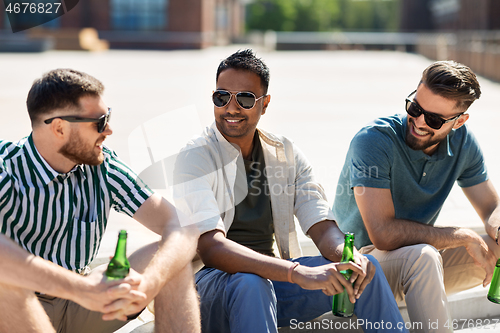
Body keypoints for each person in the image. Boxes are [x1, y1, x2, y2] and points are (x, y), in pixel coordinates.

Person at [172, 49, 408, 333]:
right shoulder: (195, 157)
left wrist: (346, 256)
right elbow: (211, 248)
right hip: (209, 288)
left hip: (271, 283)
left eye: (245, 99)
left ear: (265, 103)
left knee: (364, 268)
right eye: (222, 97)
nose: (231, 108)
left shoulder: (284, 153)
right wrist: (297, 273)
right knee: (251, 282)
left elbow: (319, 221)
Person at [0, 69, 200, 333]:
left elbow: (183, 226)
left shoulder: (102, 166)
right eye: (99, 121)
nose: (109, 130)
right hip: (21, 310)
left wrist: (150, 282)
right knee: (6, 285)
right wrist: (82, 289)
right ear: (59, 127)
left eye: (109, 117)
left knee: (171, 258)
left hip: (84, 305)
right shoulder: (6, 168)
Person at [333, 60, 500, 332]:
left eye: (434, 119)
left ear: (459, 121)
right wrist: (464, 235)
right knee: (423, 256)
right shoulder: (374, 141)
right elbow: (383, 234)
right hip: (358, 267)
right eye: (415, 108)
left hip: (418, 268)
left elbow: (491, 205)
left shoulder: (463, 143)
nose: (419, 122)